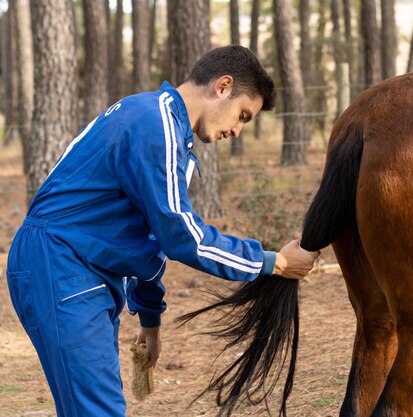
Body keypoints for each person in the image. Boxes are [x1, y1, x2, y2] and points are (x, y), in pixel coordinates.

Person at [5, 45, 320, 417]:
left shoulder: (159, 123)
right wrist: (274, 262)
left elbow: (147, 238)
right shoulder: (155, 125)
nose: (236, 131)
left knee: (89, 406)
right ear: (222, 87)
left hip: (74, 267)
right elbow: (182, 237)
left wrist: (150, 320)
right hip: (61, 266)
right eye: (243, 115)